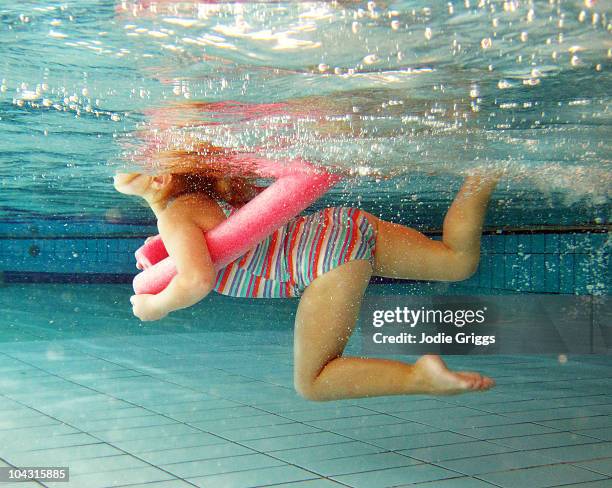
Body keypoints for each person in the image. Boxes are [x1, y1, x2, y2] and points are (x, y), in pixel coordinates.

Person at [114, 162, 500, 401]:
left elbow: (197, 279)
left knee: (314, 382)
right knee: (457, 261)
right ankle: (483, 173)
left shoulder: (176, 216)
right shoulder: (205, 199)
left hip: (327, 262)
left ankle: (421, 377)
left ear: (159, 177)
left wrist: (155, 305)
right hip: (340, 226)